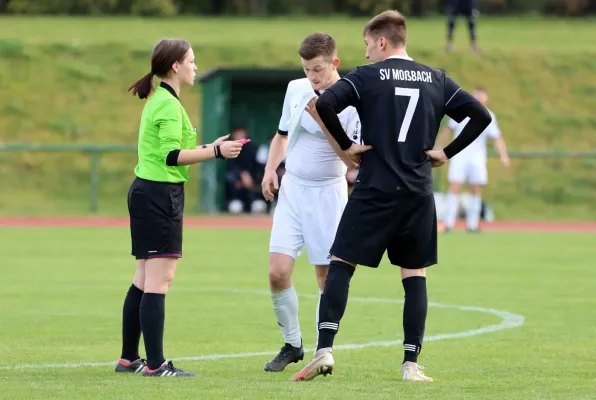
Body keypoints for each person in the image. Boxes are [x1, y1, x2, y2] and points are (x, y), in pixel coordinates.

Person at [292, 10, 492, 382]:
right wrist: (447, 153)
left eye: (368, 45)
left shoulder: (367, 76)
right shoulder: (437, 79)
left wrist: (348, 146)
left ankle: (324, 350)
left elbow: (323, 104)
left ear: (382, 42)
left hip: (375, 187)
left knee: (340, 264)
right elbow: (480, 116)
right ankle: (411, 365)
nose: (366, 54)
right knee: (414, 274)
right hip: (417, 192)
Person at [115, 38, 245, 378]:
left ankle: (130, 358)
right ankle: (155, 365)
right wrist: (216, 153)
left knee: (143, 279)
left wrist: (209, 146)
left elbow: (174, 152)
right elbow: (172, 156)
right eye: (191, 61)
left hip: (150, 192)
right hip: (158, 196)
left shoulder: (162, 100)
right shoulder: (169, 105)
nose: (195, 66)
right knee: (159, 279)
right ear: (175, 65)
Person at [260, 32, 366, 373]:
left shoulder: (351, 100)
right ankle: (292, 344)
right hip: (292, 191)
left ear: (335, 63)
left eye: (318, 69)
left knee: (325, 277)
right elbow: (281, 135)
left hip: (327, 194)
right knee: (277, 273)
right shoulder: (296, 89)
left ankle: (324, 350)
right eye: (307, 69)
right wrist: (270, 170)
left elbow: (352, 160)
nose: (312, 76)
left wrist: (323, 118)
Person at [435, 87, 510, 232]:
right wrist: (439, 146)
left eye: (482, 96)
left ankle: (472, 224)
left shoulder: (489, 115)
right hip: (458, 154)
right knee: (455, 186)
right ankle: (449, 223)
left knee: (475, 188)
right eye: (477, 95)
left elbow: (496, 138)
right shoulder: (462, 110)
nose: (480, 98)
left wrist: (503, 155)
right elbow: (448, 130)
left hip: (477, 157)